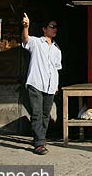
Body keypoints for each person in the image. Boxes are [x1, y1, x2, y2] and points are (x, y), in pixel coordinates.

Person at [21, 13, 62, 155]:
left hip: (50, 86)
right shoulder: (37, 42)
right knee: (37, 113)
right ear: (44, 29)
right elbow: (25, 40)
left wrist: (56, 86)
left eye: (56, 27)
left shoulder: (57, 49)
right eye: (52, 26)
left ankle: (40, 138)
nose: (55, 29)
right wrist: (26, 26)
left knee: (46, 114)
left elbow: (56, 69)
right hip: (36, 83)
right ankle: (39, 143)